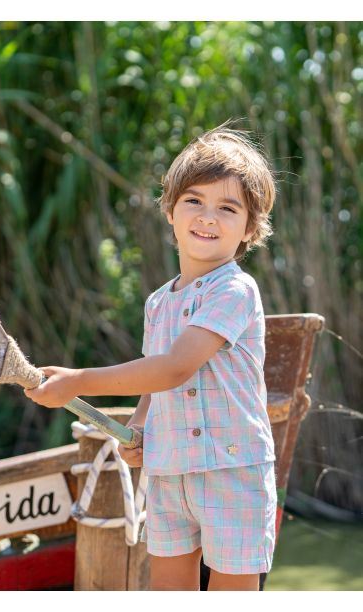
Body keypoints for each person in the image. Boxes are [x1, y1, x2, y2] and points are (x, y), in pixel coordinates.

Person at [24, 122, 277, 591]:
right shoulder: (159, 302)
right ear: (170, 211)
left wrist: (77, 381)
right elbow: (153, 384)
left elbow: (176, 366)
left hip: (231, 468)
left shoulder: (236, 289)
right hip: (169, 468)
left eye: (227, 208)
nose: (208, 216)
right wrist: (139, 426)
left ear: (250, 228)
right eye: (194, 201)